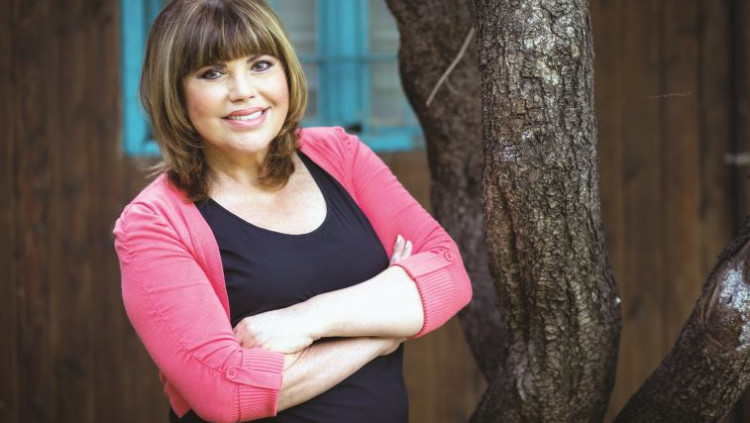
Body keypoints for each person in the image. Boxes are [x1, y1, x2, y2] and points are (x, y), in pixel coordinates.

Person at [113, 0, 472, 422]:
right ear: (175, 93)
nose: (243, 90)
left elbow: (449, 275)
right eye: (212, 73)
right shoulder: (153, 223)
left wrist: (308, 320)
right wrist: (382, 331)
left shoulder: (339, 155)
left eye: (260, 65)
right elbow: (226, 392)